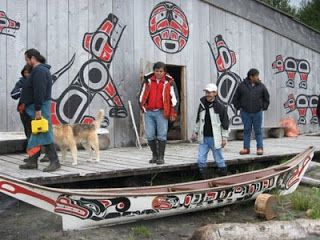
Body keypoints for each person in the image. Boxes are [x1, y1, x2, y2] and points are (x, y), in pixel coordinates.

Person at [19, 48, 60, 172]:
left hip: (40, 107)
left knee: (44, 132)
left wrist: (37, 109)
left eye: (27, 59)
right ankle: (32, 161)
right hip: (35, 107)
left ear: (32, 58)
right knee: (35, 134)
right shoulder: (38, 70)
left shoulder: (40, 71)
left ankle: (55, 161)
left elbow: (39, 91)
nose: (27, 62)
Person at [139, 61, 179, 165]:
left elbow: (174, 98)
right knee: (150, 135)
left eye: (161, 71)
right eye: (156, 71)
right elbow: (141, 95)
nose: (158, 73)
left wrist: (173, 112)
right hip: (149, 112)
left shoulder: (169, 82)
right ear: (154, 71)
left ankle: (161, 157)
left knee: (162, 135)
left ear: (164, 72)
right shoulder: (147, 80)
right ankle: (154, 155)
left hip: (162, 112)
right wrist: (143, 108)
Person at [191, 83, 229, 179]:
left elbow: (225, 123)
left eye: (210, 92)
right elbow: (198, 120)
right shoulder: (202, 105)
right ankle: (204, 178)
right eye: (206, 92)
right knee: (200, 159)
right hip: (203, 137)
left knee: (219, 158)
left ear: (215, 93)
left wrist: (224, 138)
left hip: (215, 138)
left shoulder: (220, 107)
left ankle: (224, 177)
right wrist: (195, 132)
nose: (208, 94)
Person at [232, 68, 270, 155]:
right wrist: (239, 107)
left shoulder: (261, 86)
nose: (258, 77)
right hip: (245, 113)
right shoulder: (242, 86)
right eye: (256, 76)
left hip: (258, 112)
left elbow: (266, 98)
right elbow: (235, 98)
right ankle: (246, 149)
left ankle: (259, 148)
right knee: (246, 131)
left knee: (258, 131)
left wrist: (263, 107)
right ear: (251, 76)